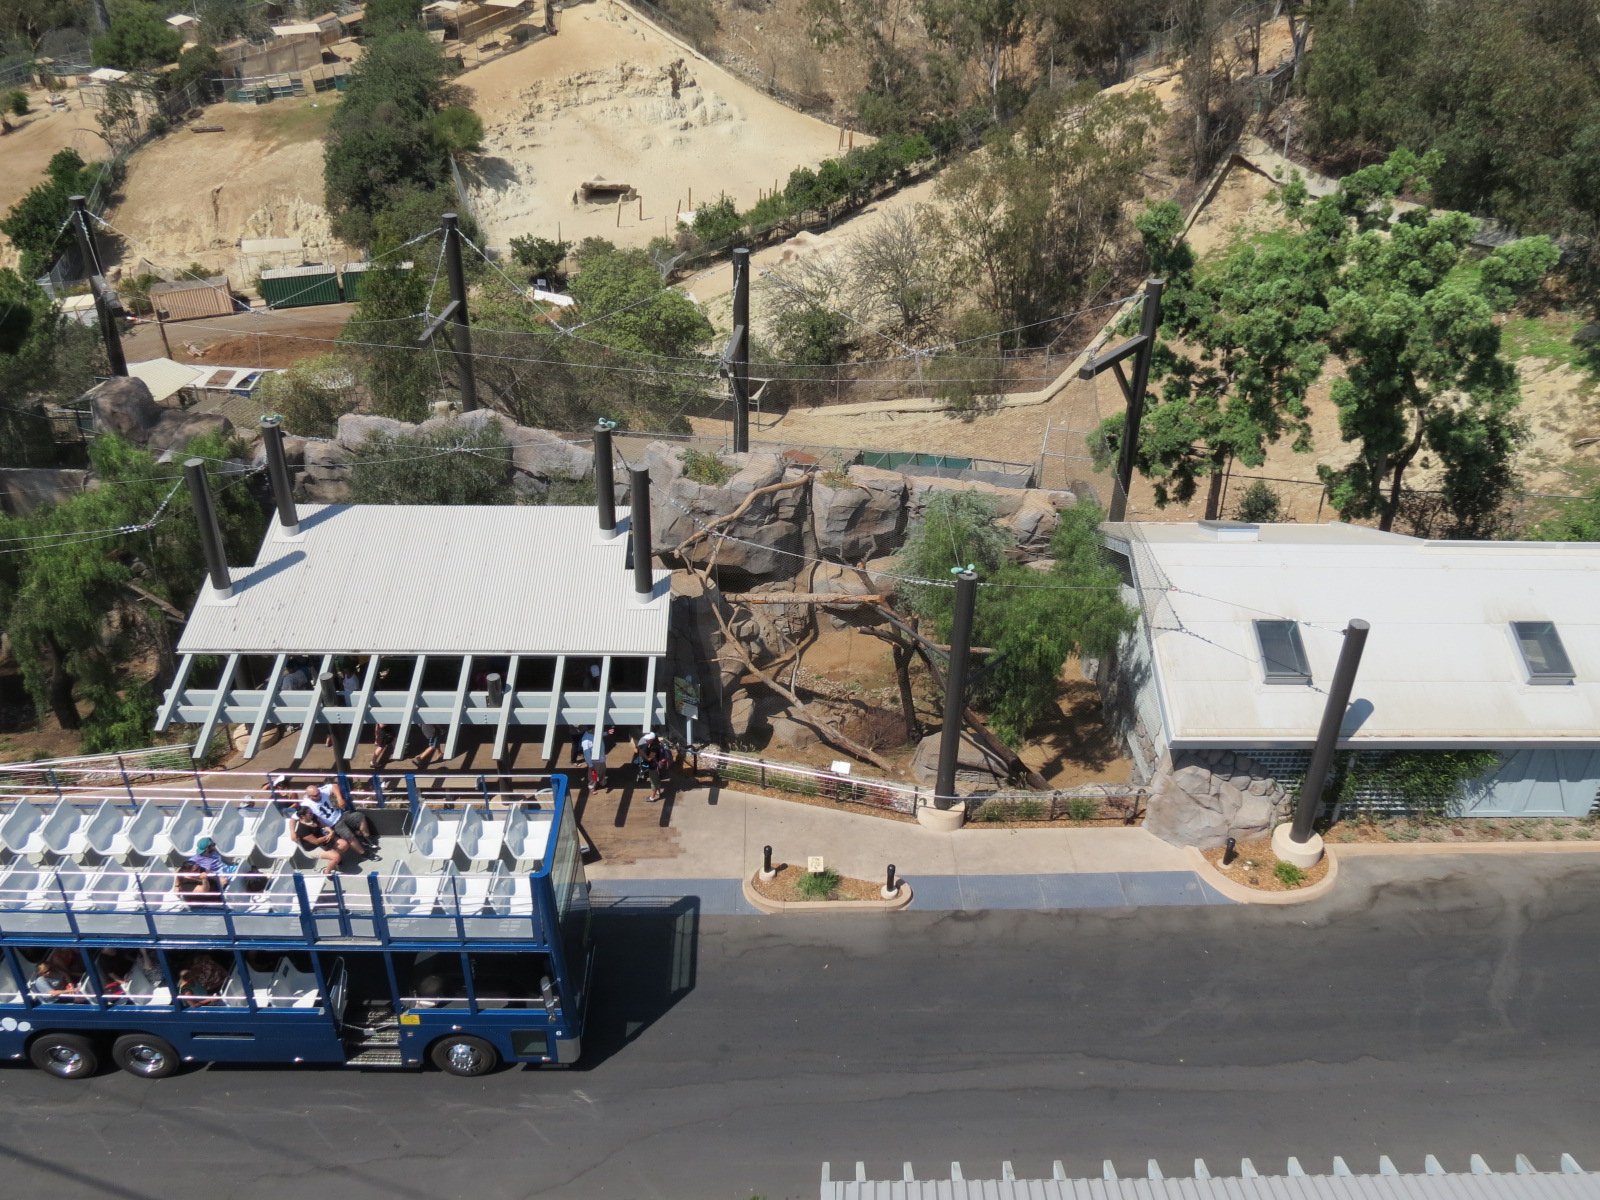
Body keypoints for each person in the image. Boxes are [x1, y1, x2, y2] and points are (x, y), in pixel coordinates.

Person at [302, 782, 379, 861]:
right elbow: (295, 817)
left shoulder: (321, 792)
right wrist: (292, 830)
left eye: (319, 793)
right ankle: (364, 854)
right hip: (333, 824)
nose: (319, 795)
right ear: (309, 796)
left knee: (359, 816)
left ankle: (367, 839)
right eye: (316, 795)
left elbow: (334, 786)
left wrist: (339, 798)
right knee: (348, 835)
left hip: (340, 815)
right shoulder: (306, 804)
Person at [289, 803, 341, 873]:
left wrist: (331, 831)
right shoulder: (302, 829)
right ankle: (327, 872)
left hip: (323, 840)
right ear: (303, 816)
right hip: (314, 848)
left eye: (311, 812)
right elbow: (316, 841)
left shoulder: (313, 817)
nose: (312, 814)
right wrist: (328, 836)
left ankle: (334, 861)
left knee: (343, 844)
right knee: (336, 857)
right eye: (309, 813)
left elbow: (323, 824)